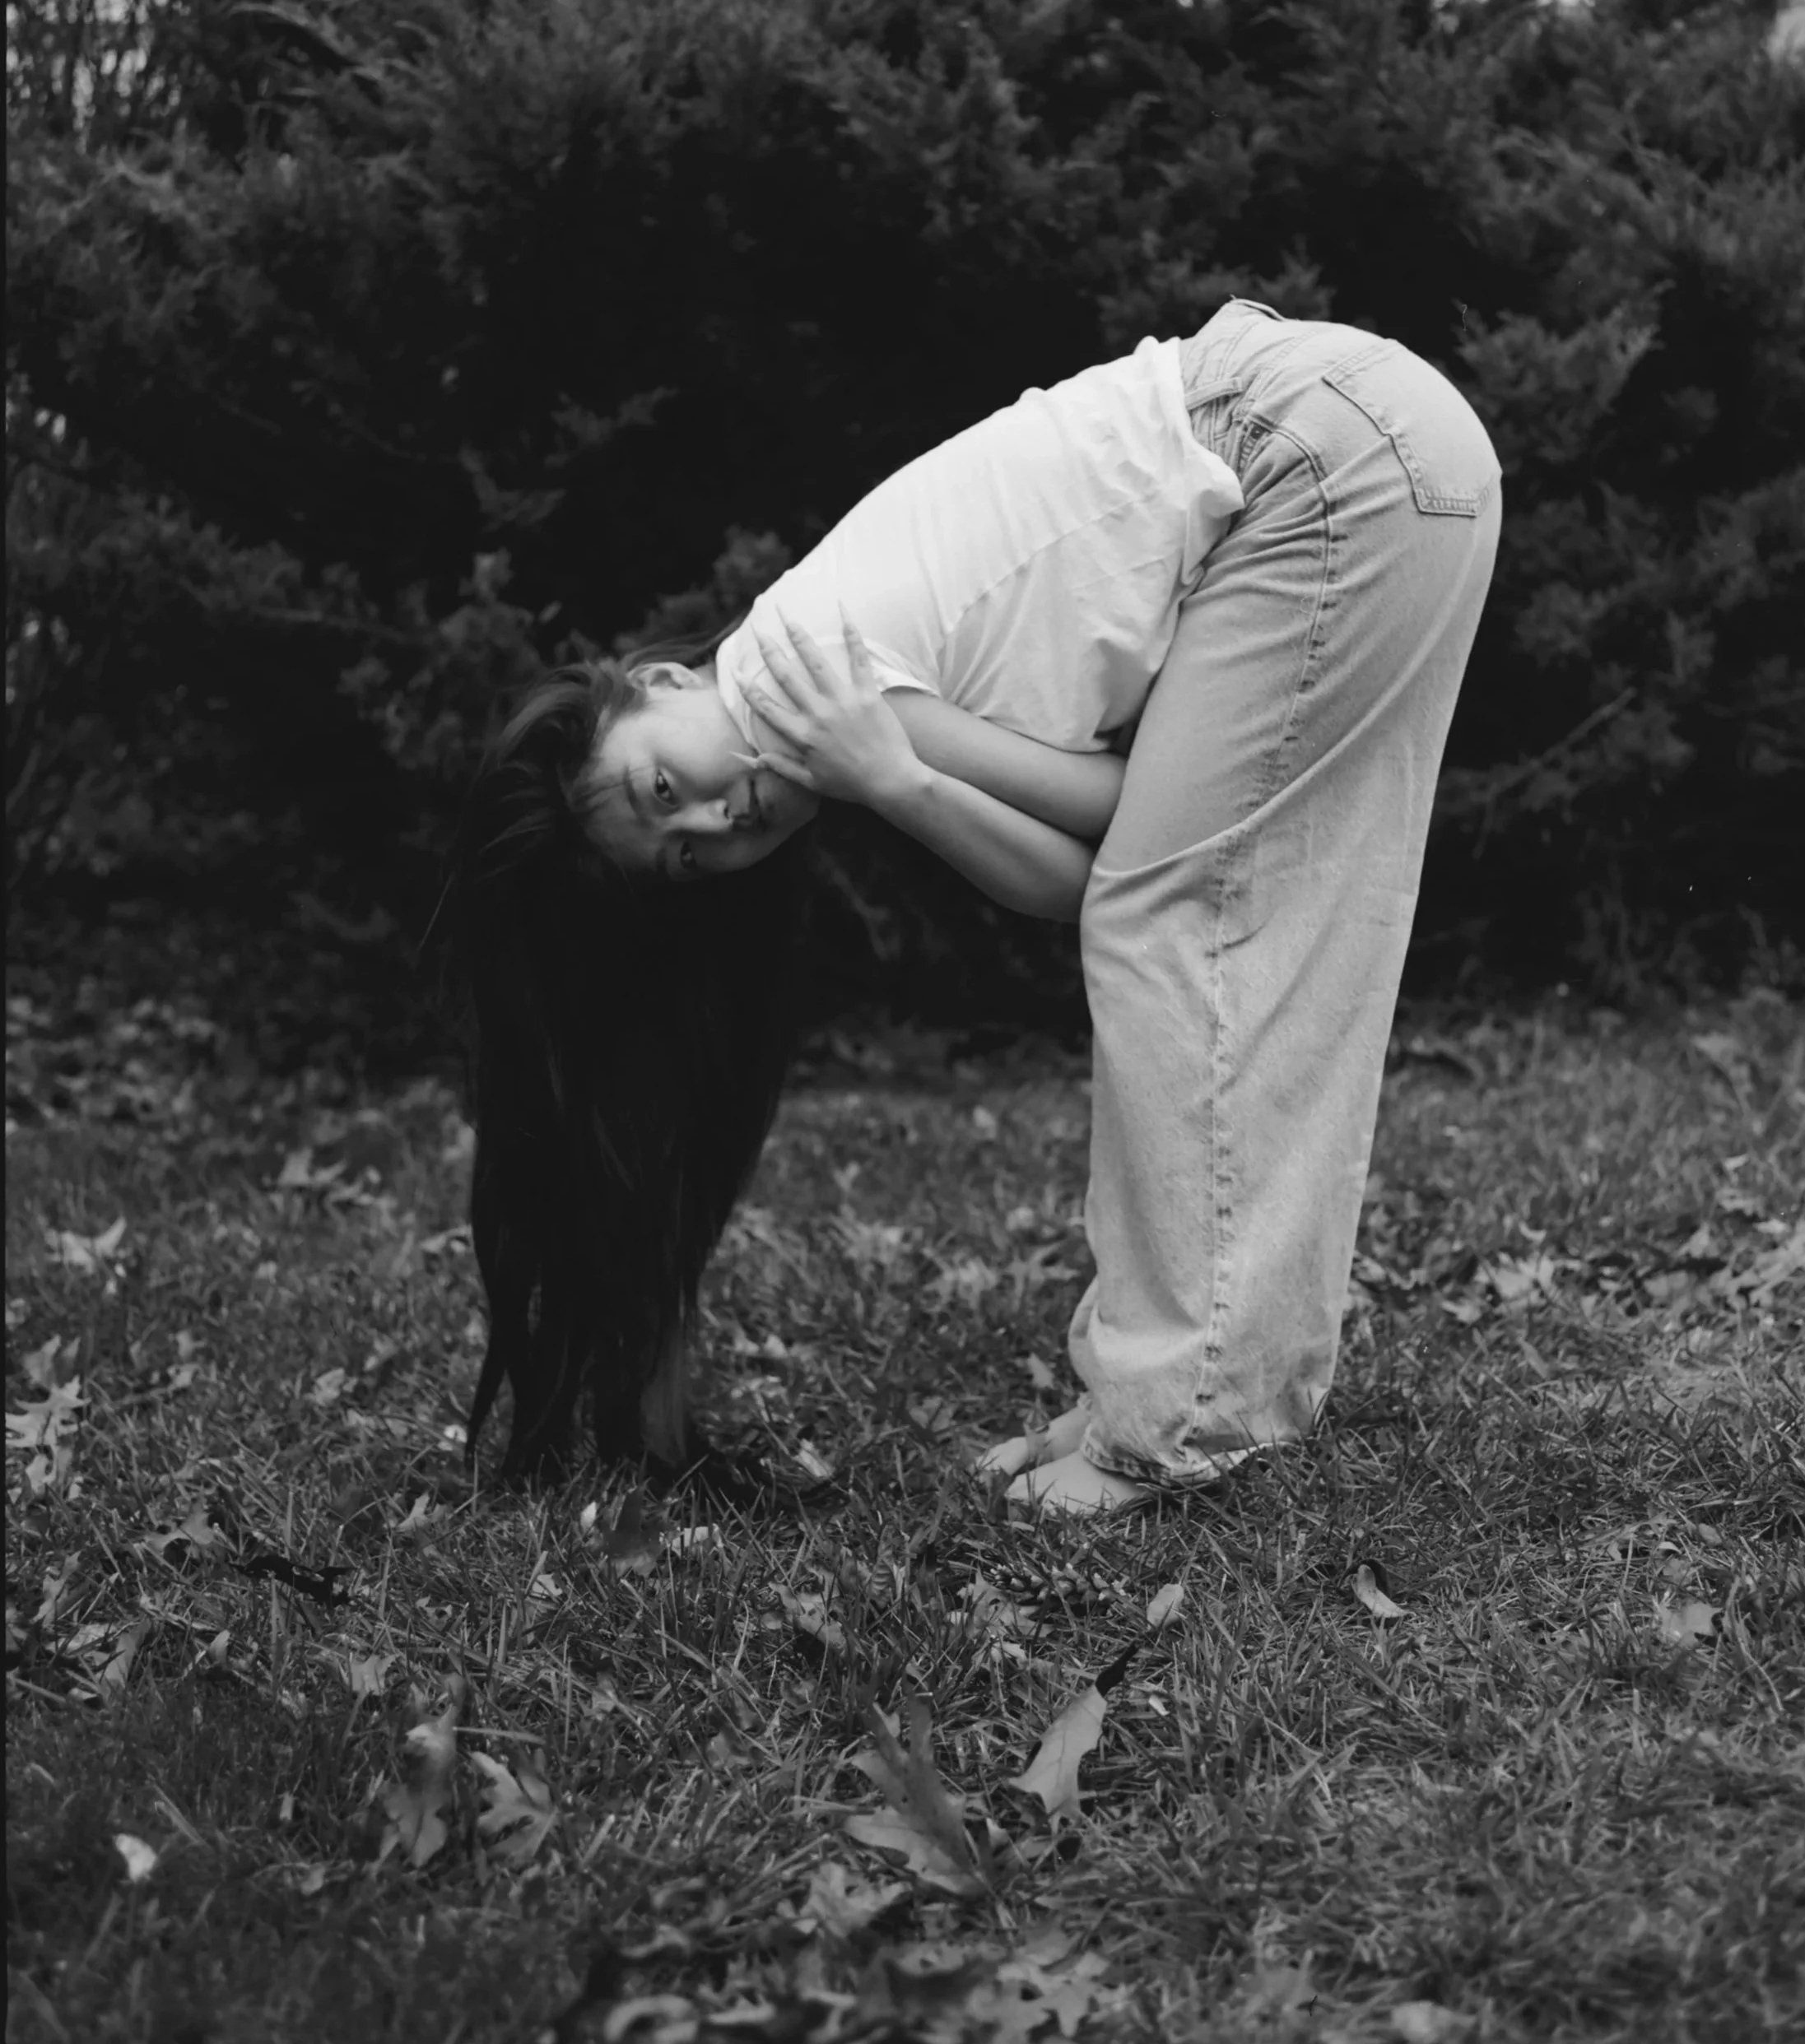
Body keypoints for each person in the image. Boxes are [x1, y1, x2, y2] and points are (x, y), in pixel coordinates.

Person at [448, 298, 1500, 1512]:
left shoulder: (809, 673)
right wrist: (891, 780)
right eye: (681, 855)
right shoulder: (828, 689)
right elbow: (1112, 847)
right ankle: (1174, 1391)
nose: (713, 824)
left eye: (664, 784)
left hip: (1317, 447)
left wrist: (893, 779)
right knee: (1223, 907)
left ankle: (1177, 1417)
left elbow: (1112, 839)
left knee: (1175, 912)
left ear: (664, 680)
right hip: (1362, 431)